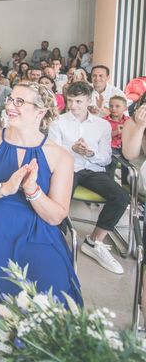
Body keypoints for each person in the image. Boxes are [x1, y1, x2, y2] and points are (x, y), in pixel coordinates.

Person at [0, 82, 82, 305]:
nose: (10, 106)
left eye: (20, 102)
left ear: (40, 112)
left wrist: (33, 190)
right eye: (10, 99)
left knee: (51, 294)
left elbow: (55, 216)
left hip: (38, 231)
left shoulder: (61, 157)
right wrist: (5, 188)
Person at [49, 82, 129, 274]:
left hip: (93, 169)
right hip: (68, 168)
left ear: (89, 101)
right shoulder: (58, 122)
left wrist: (90, 153)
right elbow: (53, 153)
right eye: (70, 101)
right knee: (61, 196)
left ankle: (95, 241)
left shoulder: (102, 125)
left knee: (121, 197)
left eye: (78, 101)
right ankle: (54, 239)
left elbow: (106, 158)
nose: (73, 106)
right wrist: (72, 150)